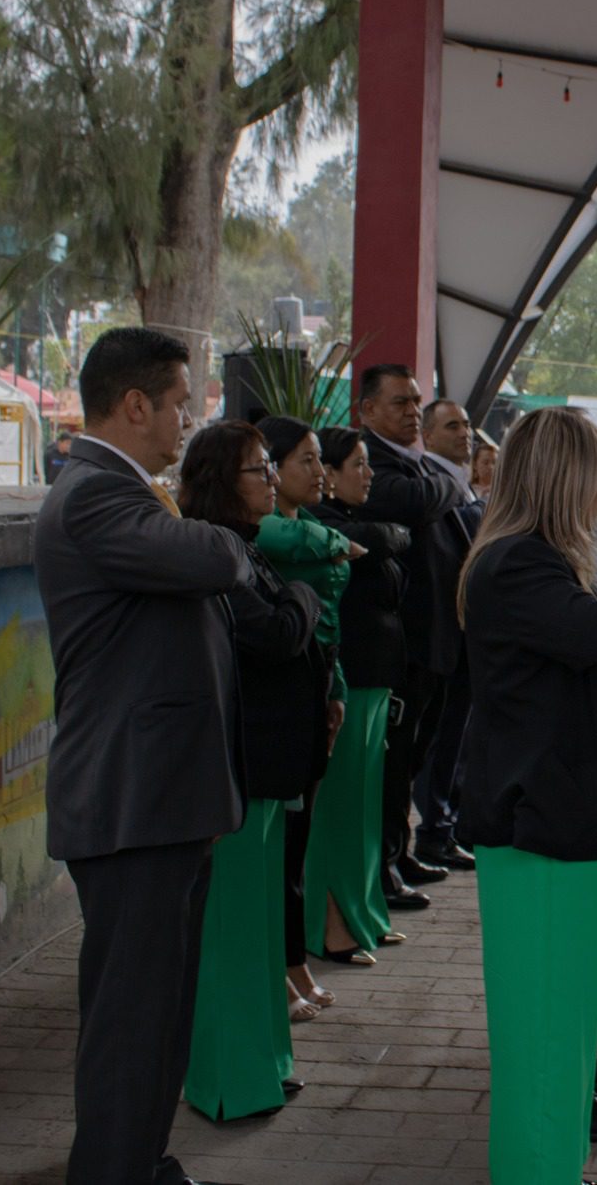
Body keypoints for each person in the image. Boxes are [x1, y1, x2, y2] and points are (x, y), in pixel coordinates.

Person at [34, 328, 252, 1185]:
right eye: (177, 402)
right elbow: (210, 554)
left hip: (162, 797)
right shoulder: (94, 494)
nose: (186, 419)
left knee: (162, 1010)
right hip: (130, 799)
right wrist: (231, 540)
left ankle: (144, 1161)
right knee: (130, 1019)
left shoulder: (124, 491)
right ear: (134, 405)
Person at [458, 408, 597, 1180]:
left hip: (564, 819)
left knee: (565, 1024)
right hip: (539, 822)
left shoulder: (537, 557)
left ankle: (553, 1165)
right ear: (560, 474)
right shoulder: (518, 562)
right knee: (544, 1036)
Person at [175, 421, 329, 1122]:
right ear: (218, 482)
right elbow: (272, 632)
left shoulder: (249, 548)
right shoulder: (220, 551)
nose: (272, 479)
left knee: (259, 923)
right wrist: (302, 596)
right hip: (236, 764)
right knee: (234, 928)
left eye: (271, 466)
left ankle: (264, 1058)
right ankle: (229, 1076)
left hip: (267, 762)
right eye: (258, 469)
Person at [254, 416, 361, 1020]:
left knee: (296, 843)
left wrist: (337, 690)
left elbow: (331, 626)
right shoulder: (264, 534)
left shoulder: (311, 525)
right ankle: (280, 963)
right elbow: (296, 546)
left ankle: (291, 959)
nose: (319, 472)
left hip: (318, 689)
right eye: (306, 461)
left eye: (322, 460)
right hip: (281, 702)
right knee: (279, 845)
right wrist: (340, 546)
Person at [351, 364, 468, 909]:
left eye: (415, 401)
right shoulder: (369, 464)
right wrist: (447, 483)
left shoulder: (415, 465)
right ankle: (385, 866)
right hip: (401, 640)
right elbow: (421, 501)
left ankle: (400, 852)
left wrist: (441, 483)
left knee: (417, 754)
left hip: (435, 636)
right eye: (399, 402)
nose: (410, 413)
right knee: (393, 762)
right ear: (368, 410)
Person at [307, 429, 410, 968]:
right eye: (358, 465)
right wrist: (391, 535)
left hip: (376, 678)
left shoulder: (346, 523)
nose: (368, 474)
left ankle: (363, 909)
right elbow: (387, 540)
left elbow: (391, 541)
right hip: (346, 678)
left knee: (368, 804)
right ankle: (330, 922)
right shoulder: (319, 525)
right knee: (340, 807)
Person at [412, 399, 483, 875]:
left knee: (456, 736)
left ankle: (446, 825)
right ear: (427, 435)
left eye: (468, 425)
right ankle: (432, 831)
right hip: (437, 632)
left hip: (466, 633)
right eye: (452, 426)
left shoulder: (462, 483)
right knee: (436, 741)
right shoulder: (425, 484)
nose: (465, 434)